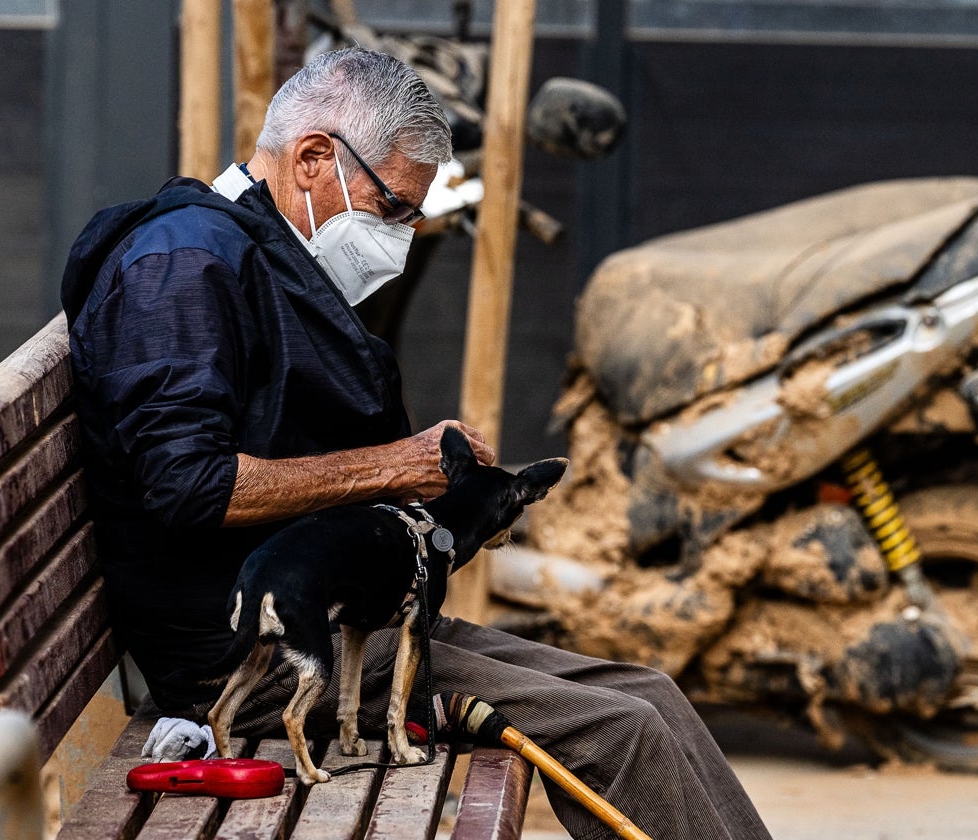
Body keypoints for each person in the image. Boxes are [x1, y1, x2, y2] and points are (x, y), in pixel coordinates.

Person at [61, 47, 771, 840]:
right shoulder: (183, 264)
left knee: (651, 695)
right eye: (392, 207)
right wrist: (391, 467)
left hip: (345, 618)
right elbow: (187, 483)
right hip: (259, 658)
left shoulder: (247, 252)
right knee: (619, 730)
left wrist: (430, 483)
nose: (399, 235)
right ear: (313, 159)